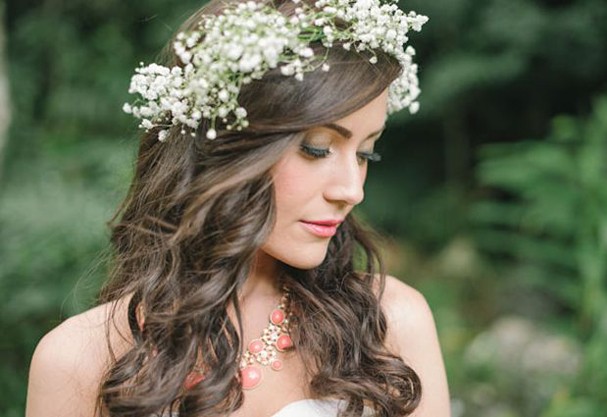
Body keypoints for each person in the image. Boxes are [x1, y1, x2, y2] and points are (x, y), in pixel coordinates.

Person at [25, 0, 450, 416]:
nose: (351, 190)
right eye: (317, 149)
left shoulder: (391, 323)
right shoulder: (80, 361)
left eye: (365, 154)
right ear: (226, 150)